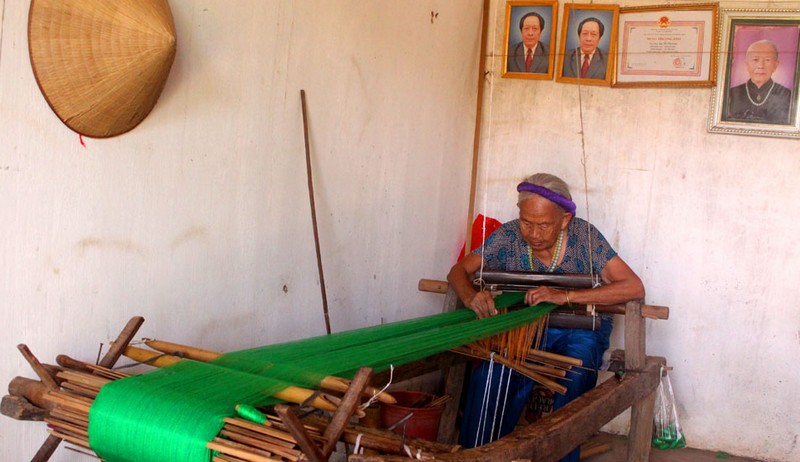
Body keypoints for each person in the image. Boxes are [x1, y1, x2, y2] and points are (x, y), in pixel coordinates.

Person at [448, 173, 645, 462]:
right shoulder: (509, 236)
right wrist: (470, 296)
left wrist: (564, 296)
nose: (534, 234)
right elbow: (458, 271)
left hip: (581, 327)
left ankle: (561, 455)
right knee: (492, 373)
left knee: (576, 374)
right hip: (527, 327)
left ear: (564, 220)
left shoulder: (585, 238)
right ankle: (481, 454)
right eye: (527, 223)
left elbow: (633, 287)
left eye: (543, 225)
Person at [725, 39, 793, 125]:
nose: (761, 66)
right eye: (755, 59)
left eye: (767, 60)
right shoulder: (731, 94)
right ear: (747, 64)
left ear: (775, 65)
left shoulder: (787, 95)